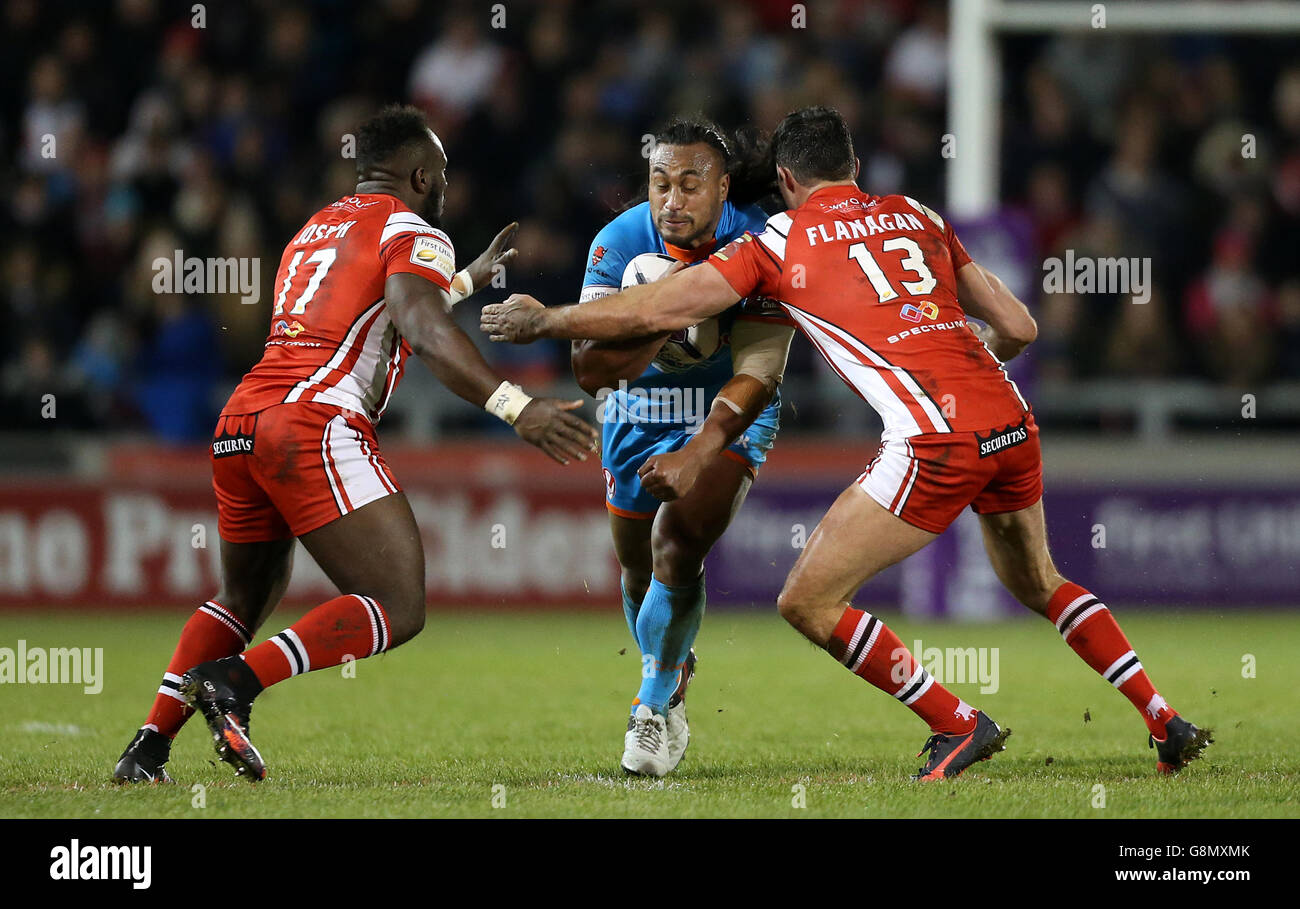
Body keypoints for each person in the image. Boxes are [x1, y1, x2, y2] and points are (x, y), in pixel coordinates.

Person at [481, 106, 1212, 780]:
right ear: (855, 167)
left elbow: (666, 303)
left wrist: (548, 320)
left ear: (787, 180)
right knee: (1041, 581)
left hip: (936, 436)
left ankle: (958, 722)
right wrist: (958, 349)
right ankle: (1163, 717)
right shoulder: (916, 212)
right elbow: (1020, 329)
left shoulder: (776, 239)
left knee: (808, 599)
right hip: (1010, 419)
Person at [114, 104, 598, 783]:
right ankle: (237, 680)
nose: (448, 186)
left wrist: (464, 282)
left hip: (242, 420)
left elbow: (368, 315)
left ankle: (147, 748)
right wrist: (517, 407)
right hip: (313, 423)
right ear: (422, 174)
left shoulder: (313, 229)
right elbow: (421, 331)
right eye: (445, 173)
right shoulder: (414, 230)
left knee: (243, 595)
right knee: (396, 601)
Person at [573, 118, 795, 777]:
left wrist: (700, 449)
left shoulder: (757, 238)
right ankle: (671, 670)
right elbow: (588, 371)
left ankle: (649, 707)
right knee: (640, 571)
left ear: (723, 188)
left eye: (691, 185)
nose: (672, 199)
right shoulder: (617, 243)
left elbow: (760, 367)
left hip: (728, 407)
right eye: (661, 183)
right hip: (636, 409)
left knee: (677, 544)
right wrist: (657, 314)